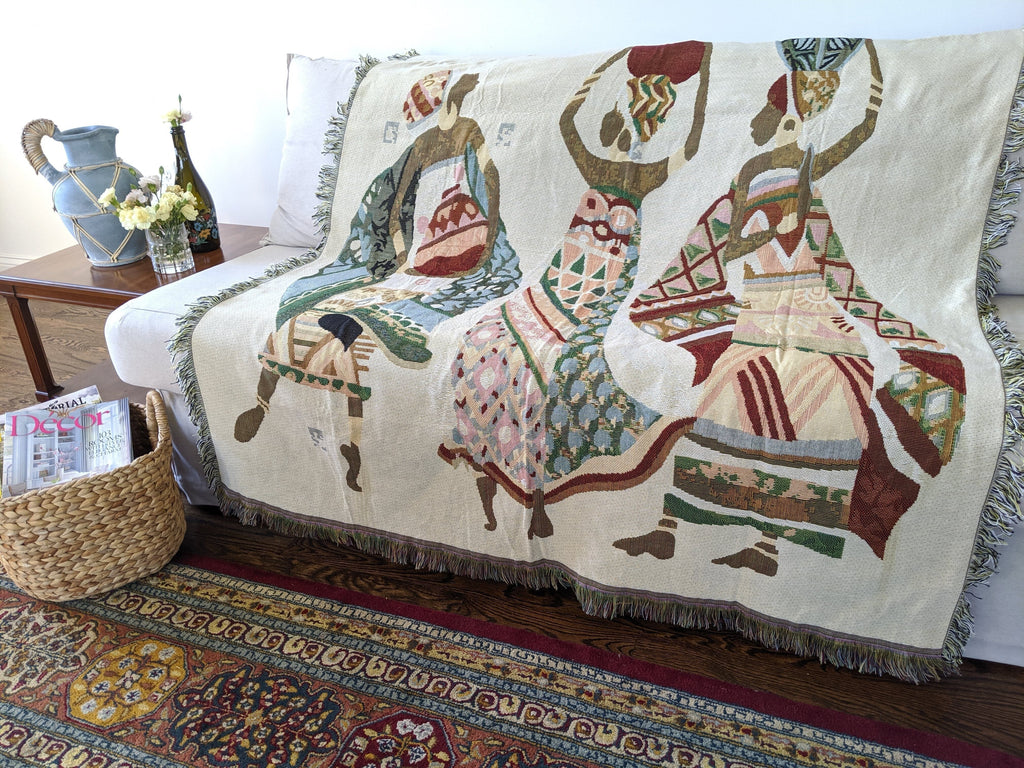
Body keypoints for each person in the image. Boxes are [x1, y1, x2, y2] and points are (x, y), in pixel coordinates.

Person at [616, 38, 967, 573]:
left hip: (814, 314)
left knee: (824, 388)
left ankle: (766, 545)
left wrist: (871, 81)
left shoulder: (809, 187)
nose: (762, 121)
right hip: (758, 312)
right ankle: (670, 529)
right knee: (728, 385)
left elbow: (839, 264)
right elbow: (722, 249)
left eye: (771, 112)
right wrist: (768, 231)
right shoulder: (748, 179)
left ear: (785, 117)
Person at [439, 41, 713, 539]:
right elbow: (567, 121)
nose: (624, 131)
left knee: (554, 369)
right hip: (555, 282)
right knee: (482, 339)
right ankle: (483, 459)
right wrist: (604, 68)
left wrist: (707, 70)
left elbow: (692, 147)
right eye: (622, 121)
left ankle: (539, 495)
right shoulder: (594, 166)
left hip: (603, 289)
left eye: (633, 124)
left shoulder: (643, 177)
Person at [234, 70, 521, 491]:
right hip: (424, 248)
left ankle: (282, 405)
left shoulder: (461, 133)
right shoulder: (426, 144)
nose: (442, 112)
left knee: (348, 321)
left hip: (454, 242)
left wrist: (487, 232)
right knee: (322, 314)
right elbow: (399, 197)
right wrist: (399, 253)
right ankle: (312, 417)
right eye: (443, 103)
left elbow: (486, 180)